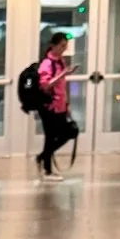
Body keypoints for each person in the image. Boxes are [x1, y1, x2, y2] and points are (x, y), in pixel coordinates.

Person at [35, 31, 79, 174]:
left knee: (69, 132)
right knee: (50, 136)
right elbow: (45, 85)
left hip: (60, 105)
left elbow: (62, 85)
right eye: (61, 46)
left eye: (65, 46)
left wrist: (66, 103)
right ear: (53, 45)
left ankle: (43, 157)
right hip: (48, 106)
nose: (63, 49)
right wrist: (63, 74)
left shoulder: (60, 61)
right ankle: (47, 168)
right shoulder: (46, 64)